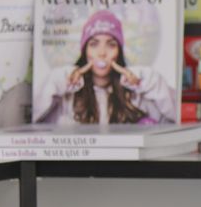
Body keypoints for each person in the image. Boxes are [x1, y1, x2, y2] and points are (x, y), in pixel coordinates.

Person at [34, 10, 179, 126]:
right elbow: (35, 119)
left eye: (111, 44)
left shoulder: (136, 97)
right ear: (85, 51)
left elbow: (174, 118)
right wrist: (64, 78)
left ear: (119, 52)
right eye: (94, 44)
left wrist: (144, 80)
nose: (102, 53)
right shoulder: (66, 98)